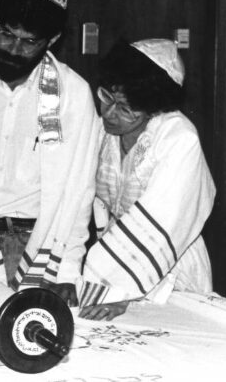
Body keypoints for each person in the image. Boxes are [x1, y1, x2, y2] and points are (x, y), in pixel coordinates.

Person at [0, 0, 101, 307]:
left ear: (52, 40)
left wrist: (68, 269)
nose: (12, 49)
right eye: (7, 34)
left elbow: (79, 189)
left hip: (33, 244)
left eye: (29, 42)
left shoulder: (73, 95)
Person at [78, 39, 214, 321]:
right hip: (117, 260)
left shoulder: (178, 138)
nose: (109, 113)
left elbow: (168, 221)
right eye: (106, 97)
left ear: (154, 108)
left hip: (167, 268)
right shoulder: (103, 131)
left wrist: (120, 292)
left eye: (126, 108)